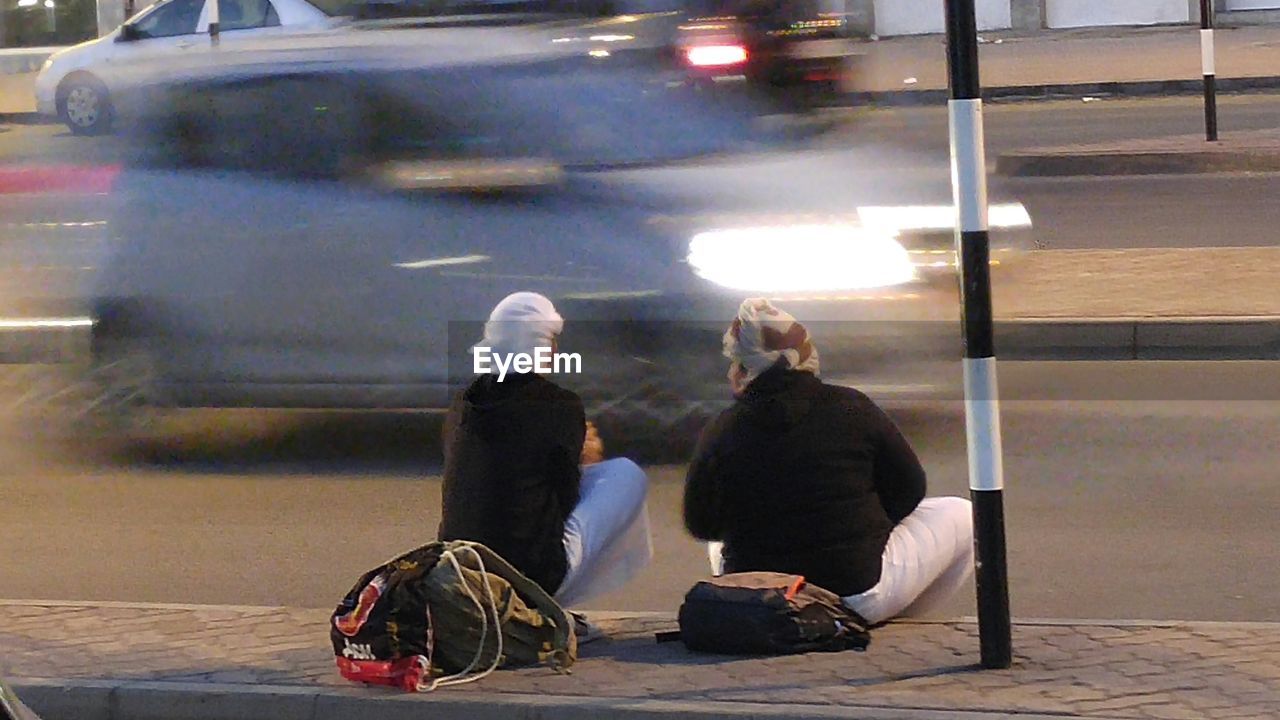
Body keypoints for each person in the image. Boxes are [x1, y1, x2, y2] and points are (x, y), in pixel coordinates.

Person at [682, 298, 973, 626]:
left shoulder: (722, 428)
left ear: (747, 370)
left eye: (734, 363)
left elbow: (700, 524)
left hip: (763, 597)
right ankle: (881, 619)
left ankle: (811, 617)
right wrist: (865, 528)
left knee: (722, 532)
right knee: (963, 513)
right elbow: (910, 487)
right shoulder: (852, 406)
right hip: (855, 592)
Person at [438, 291, 653, 613]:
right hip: (528, 576)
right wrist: (584, 460)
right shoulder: (559, 404)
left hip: (460, 570)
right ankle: (549, 612)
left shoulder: (463, 403)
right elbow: (564, 502)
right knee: (624, 474)